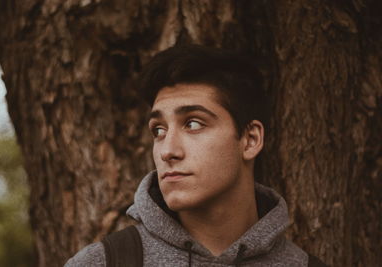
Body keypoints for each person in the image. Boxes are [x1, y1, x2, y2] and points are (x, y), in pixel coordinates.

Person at [65, 45, 326, 266]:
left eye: (193, 124)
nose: (168, 151)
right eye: (159, 129)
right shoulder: (103, 263)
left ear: (250, 140)